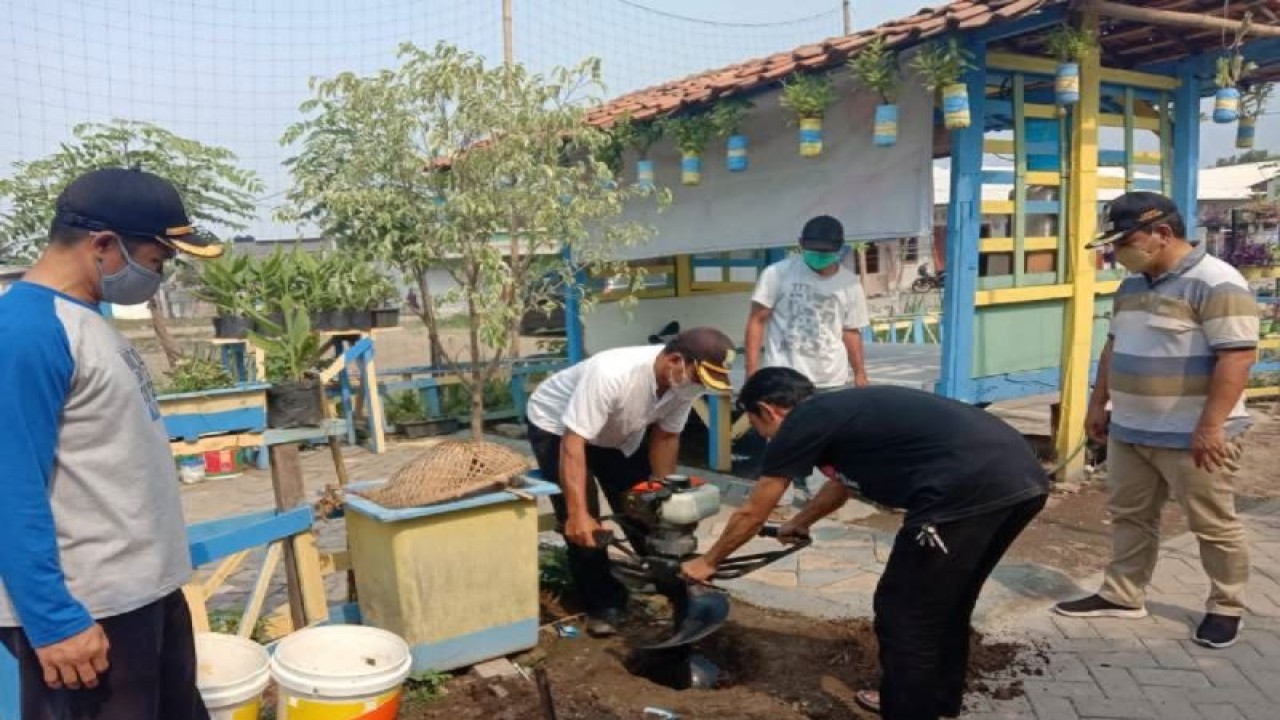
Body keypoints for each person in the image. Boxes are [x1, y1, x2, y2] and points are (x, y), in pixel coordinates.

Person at [682, 368, 1049, 720]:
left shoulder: (801, 422)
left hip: (965, 490)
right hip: (1023, 479)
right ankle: (937, 698)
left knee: (903, 614)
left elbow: (752, 512)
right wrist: (801, 522)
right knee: (950, 601)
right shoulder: (838, 413)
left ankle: (908, 710)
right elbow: (842, 482)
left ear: (768, 410)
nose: (763, 437)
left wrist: (708, 561)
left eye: (757, 425)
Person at [0, 168, 221, 720]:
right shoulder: (26, 331)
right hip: (88, 616)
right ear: (103, 244)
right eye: (156, 261)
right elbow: (9, 484)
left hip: (143, 595)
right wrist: (54, 620)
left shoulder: (87, 320)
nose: (159, 277)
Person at [1054, 191, 1258, 649]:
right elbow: (1113, 347)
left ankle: (1226, 606)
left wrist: (1211, 427)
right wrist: (1098, 403)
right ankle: (1123, 594)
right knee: (1130, 516)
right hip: (1131, 429)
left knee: (1212, 524)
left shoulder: (1217, 282)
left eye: (1124, 241)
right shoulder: (1131, 286)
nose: (1117, 252)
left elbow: (1237, 358)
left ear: (1162, 233)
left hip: (1193, 435)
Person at [525, 326, 735, 637]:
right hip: (558, 428)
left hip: (617, 432)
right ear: (675, 360)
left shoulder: (684, 383)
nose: (700, 386)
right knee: (584, 523)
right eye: (699, 378)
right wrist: (578, 513)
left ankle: (674, 590)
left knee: (645, 508)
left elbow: (666, 436)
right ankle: (602, 604)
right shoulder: (612, 373)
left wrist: (663, 495)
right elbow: (574, 443)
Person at [744, 215, 871, 508]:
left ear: (840, 249)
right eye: (814, 250)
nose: (820, 256)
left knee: (827, 437)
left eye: (827, 252)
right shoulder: (777, 274)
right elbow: (757, 320)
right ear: (801, 244)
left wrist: (860, 373)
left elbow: (851, 331)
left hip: (830, 375)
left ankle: (819, 494)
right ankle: (779, 495)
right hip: (784, 374)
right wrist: (752, 371)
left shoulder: (850, 284)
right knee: (779, 436)